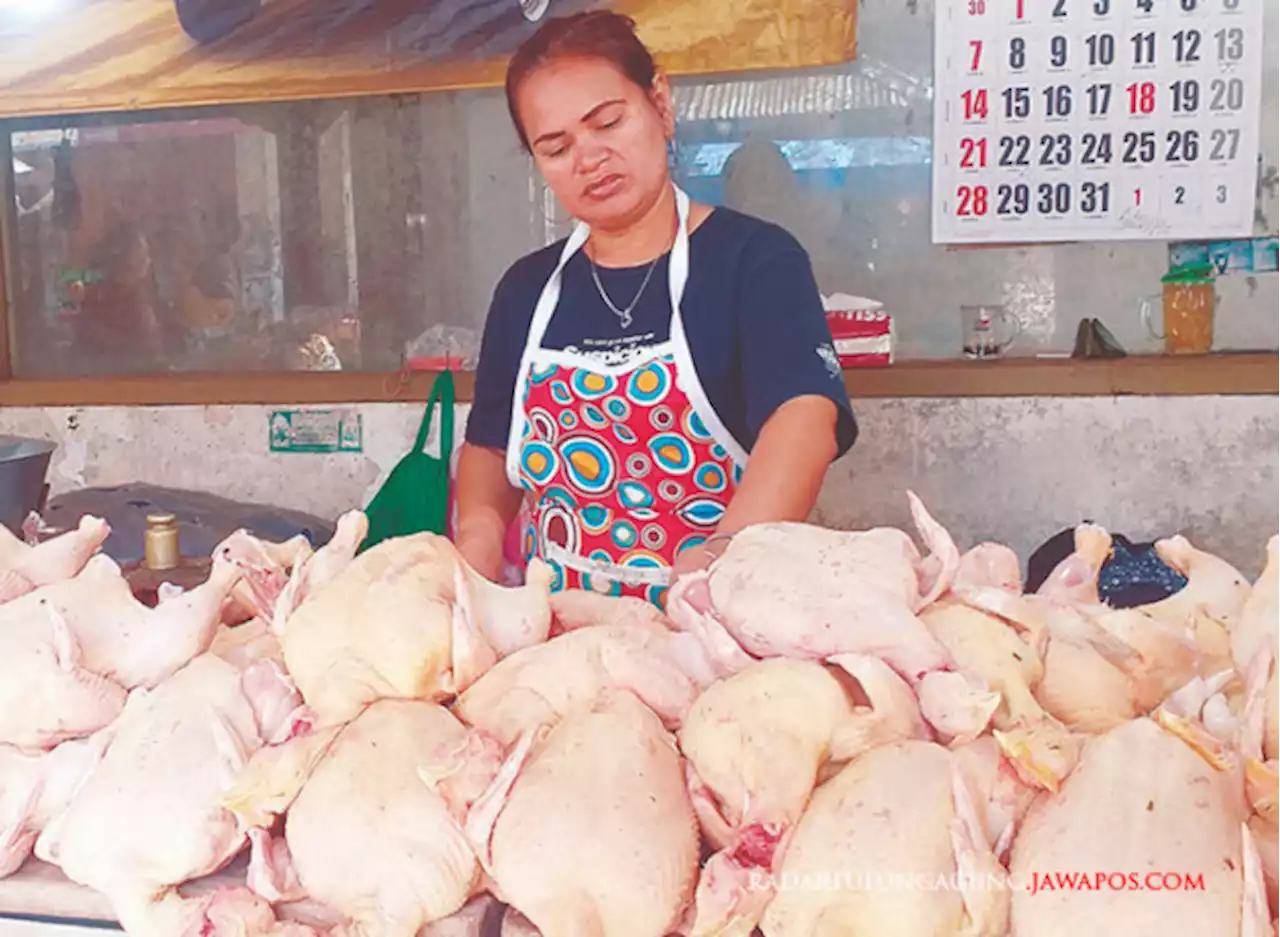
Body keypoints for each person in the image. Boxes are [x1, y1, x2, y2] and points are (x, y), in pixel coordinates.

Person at [455, 10, 857, 608]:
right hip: (558, 628)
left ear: (660, 104)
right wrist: (478, 544)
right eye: (556, 147)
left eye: (608, 122)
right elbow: (491, 445)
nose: (589, 158)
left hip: (717, 618)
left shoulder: (753, 260)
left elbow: (804, 418)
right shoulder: (527, 290)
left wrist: (719, 561)